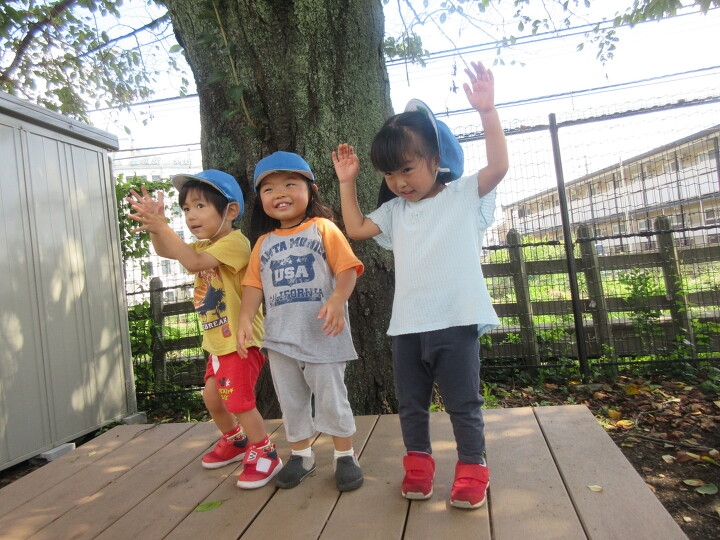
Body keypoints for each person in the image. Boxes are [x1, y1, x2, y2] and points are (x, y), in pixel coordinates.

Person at [333, 60, 509, 509]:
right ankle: (418, 466)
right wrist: (348, 183)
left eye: (407, 169)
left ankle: (473, 467)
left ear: (435, 160)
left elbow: (498, 166)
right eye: (389, 174)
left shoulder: (463, 195)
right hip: (408, 327)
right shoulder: (395, 211)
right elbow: (354, 228)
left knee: (463, 403)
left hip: (456, 321)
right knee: (411, 404)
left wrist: (487, 112)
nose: (399, 182)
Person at [126, 170, 281, 489]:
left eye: (200, 206)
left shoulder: (235, 243)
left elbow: (194, 262)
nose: (191, 216)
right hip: (217, 343)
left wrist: (162, 227)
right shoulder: (204, 244)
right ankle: (236, 440)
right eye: (185, 209)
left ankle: (265, 451)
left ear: (231, 211)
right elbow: (166, 251)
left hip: (241, 341)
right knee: (212, 398)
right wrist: (156, 227)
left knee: (238, 402)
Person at [236, 151, 364, 492]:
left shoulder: (324, 229)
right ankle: (301, 455)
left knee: (332, 399)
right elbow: (253, 285)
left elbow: (348, 270)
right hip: (280, 339)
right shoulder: (262, 243)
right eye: (269, 189)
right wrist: (245, 318)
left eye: (290, 184)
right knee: (291, 402)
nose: (280, 194)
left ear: (312, 190)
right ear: (260, 199)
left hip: (323, 335)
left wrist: (337, 299)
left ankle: (345, 455)